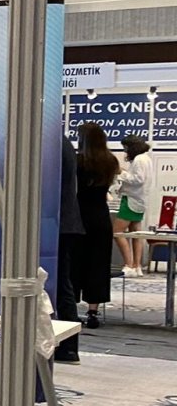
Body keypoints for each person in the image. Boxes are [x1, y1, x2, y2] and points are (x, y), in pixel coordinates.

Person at [75, 122, 118, 329]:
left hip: (79, 217)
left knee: (75, 264)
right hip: (101, 217)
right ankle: (93, 312)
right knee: (98, 265)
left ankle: (70, 309)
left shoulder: (78, 161)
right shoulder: (110, 161)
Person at [55, 133, 84, 364]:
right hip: (65, 222)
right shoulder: (61, 141)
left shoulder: (50, 141)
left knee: (61, 285)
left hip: (57, 223)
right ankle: (68, 346)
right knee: (63, 285)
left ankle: (68, 345)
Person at [112, 134, 154, 277]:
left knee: (117, 232)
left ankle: (128, 264)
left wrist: (121, 173)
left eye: (126, 148)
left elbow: (137, 179)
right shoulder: (146, 158)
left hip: (131, 200)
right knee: (136, 234)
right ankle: (137, 266)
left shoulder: (139, 159)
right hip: (140, 199)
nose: (125, 151)